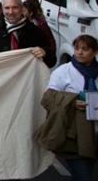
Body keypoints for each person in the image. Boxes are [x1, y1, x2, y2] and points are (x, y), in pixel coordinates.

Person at [37, 35, 98, 181]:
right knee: (83, 177)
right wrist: (71, 102)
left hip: (94, 133)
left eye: (85, 49)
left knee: (88, 172)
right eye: (76, 48)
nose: (79, 52)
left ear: (94, 52)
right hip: (73, 135)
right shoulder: (63, 72)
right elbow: (48, 98)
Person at [0, 0, 56, 67]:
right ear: (3, 10)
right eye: (7, 8)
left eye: (15, 7)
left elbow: (52, 62)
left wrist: (45, 52)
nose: (11, 12)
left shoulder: (36, 32)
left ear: (22, 9)